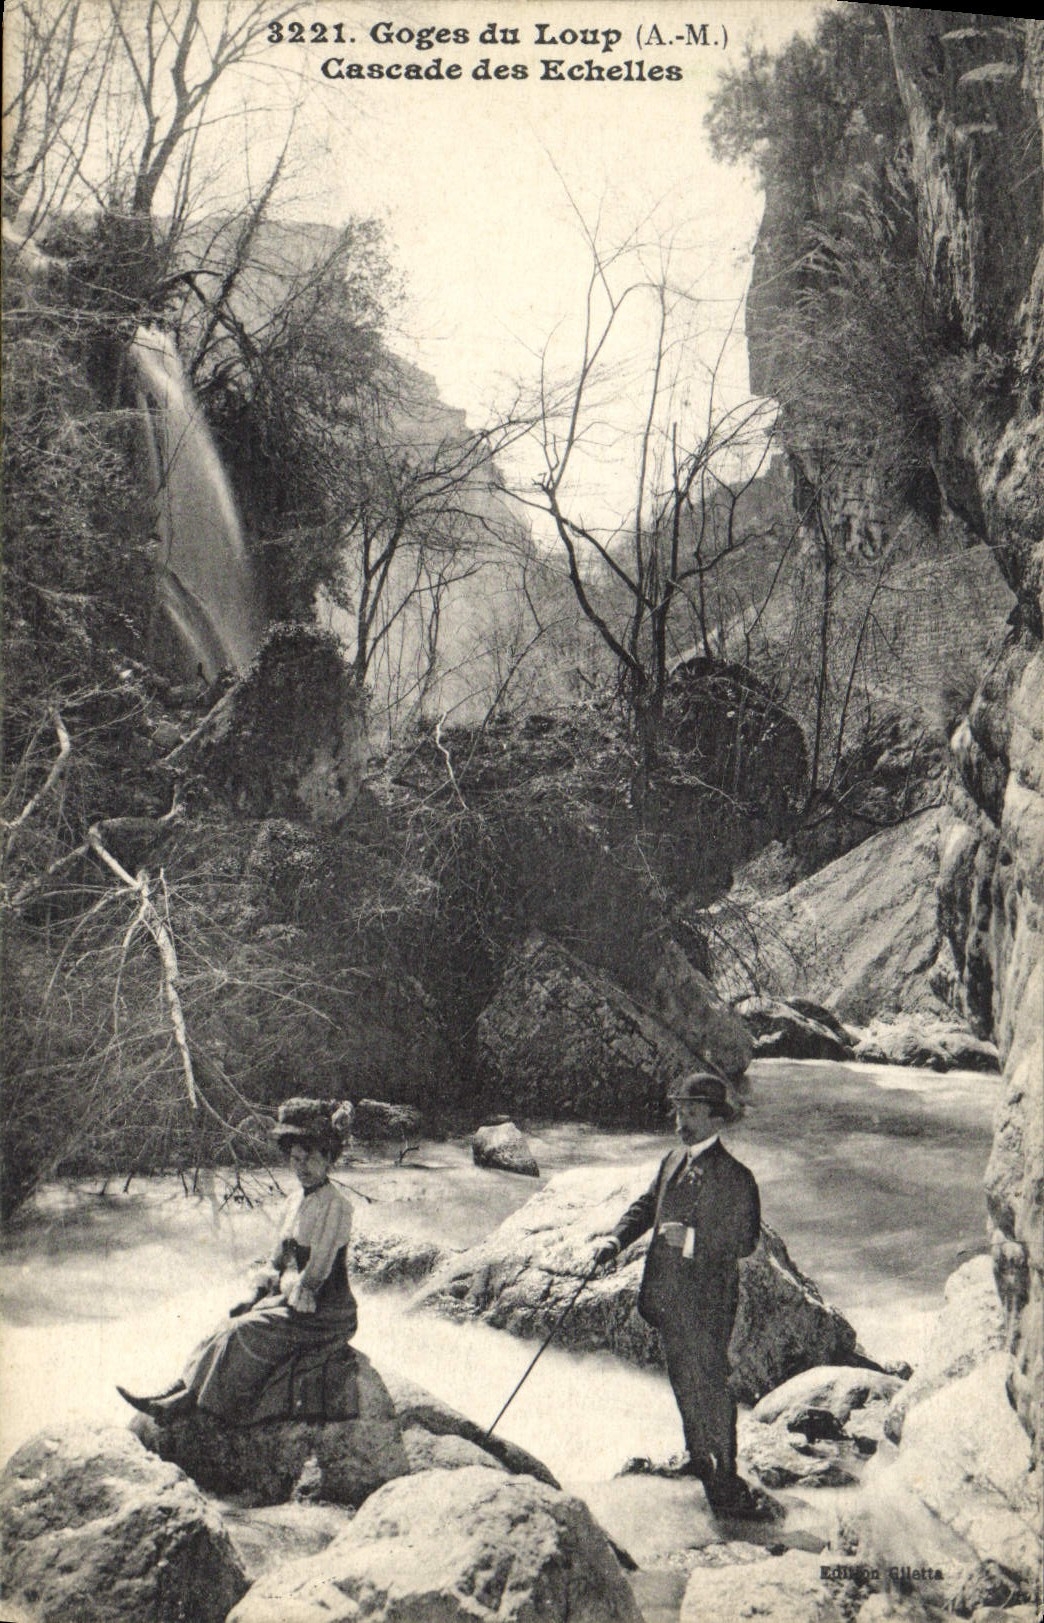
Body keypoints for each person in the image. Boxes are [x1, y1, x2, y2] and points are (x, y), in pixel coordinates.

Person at [591, 1071, 773, 1519]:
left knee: (712, 1384)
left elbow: (745, 1241)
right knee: (681, 1380)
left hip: (709, 1302)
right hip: (669, 1298)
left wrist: (690, 1242)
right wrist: (615, 1240)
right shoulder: (671, 1160)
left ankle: (727, 1475)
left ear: (715, 1119)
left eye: (691, 1112)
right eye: (678, 1111)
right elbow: (645, 1206)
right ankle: (698, 1456)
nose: (681, 1121)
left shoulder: (737, 1177)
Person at [117, 1097, 357, 1425]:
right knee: (230, 1319)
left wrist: (278, 1300)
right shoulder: (293, 1201)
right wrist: (257, 1293)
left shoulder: (337, 1206)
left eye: (309, 1159)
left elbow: (318, 1269)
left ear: (329, 1158)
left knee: (244, 1330)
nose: (300, 1168)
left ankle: (192, 1404)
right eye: (294, 1159)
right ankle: (178, 1388)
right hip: (296, 1300)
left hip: (326, 1312)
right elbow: (277, 1261)